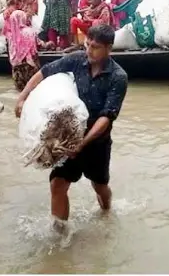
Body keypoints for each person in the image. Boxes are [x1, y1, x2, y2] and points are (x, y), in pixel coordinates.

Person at [14, 24, 128, 232]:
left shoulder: (118, 77)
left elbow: (107, 117)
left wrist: (83, 144)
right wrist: (22, 98)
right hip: (69, 137)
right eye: (87, 44)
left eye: (96, 47)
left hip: (97, 143)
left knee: (99, 185)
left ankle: (107, 212)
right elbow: (45, 72)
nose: (89, 50)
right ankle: (60, 235)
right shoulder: (77, 59)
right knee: (57, 184)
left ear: (109, 48)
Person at [2, 10, 40, 91]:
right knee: (33, 90)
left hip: (17, 72)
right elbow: (36, 47)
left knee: (20, 91)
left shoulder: (10, 36)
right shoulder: (29, 32)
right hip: (30, 69)